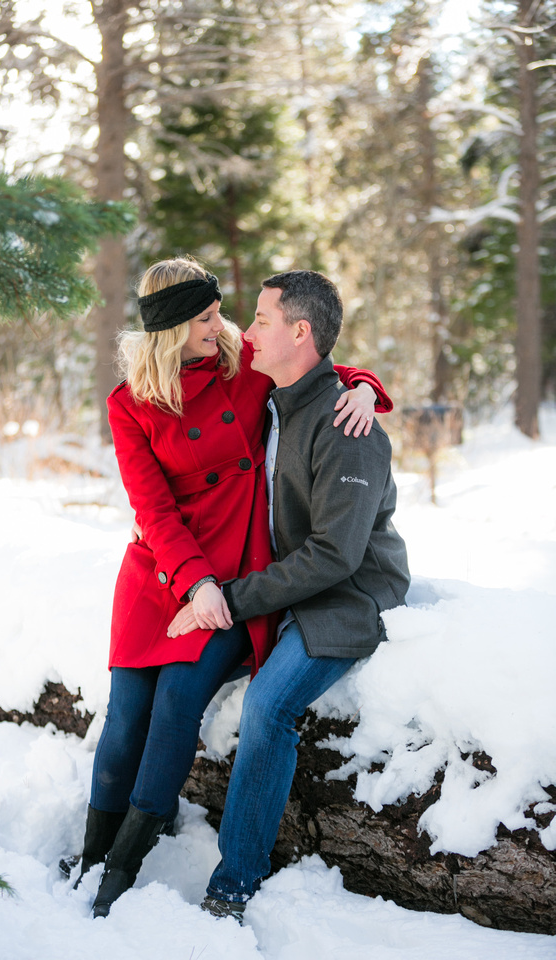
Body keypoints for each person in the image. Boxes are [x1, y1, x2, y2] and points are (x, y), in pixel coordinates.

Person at [71, 258, 392, 918]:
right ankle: (94, 854)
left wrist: (365, 388)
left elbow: (313, 355)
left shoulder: (238, 364)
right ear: (171, 330)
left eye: (226, 313)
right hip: (165, 568)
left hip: (236, 568)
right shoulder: (130, 402)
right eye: (208, 318)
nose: (228, 327)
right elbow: (153, 510)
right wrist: (191, 582)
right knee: (126, 712)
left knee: (176, 704)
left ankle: (125, 866)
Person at [167, 269, 410, 921]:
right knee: (178, 672)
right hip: (285, 583)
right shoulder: (277, 398)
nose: (248, 332)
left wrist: (233, 598)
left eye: (263, 321)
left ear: (299, 333)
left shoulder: (344, 428)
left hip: (345, 597)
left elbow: (335, 556)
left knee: (266, 705)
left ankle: (234, 884)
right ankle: (138, 825)